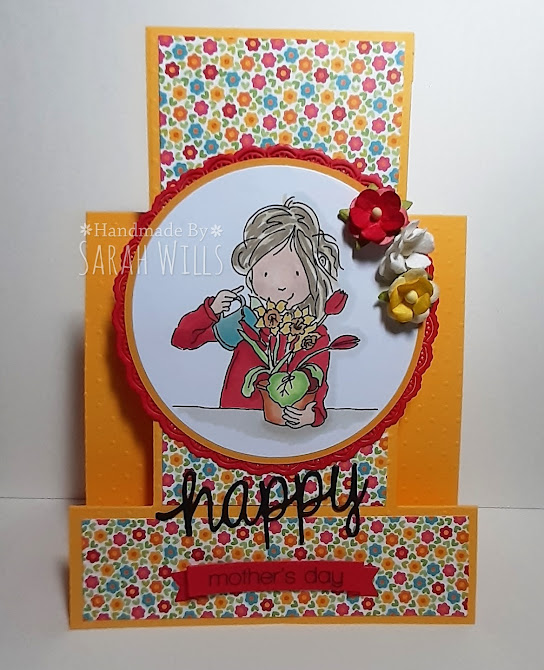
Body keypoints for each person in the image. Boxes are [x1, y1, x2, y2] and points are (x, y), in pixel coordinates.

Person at [171, 198, 341, 428]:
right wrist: (211, 310)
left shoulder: (313, 334)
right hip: (234, 424)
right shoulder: (247, 320)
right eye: (266, 274)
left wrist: (314, 415)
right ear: (251, 274)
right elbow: (183, 340)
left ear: (313, 277)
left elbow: (318, 379)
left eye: (296, 274)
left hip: (289, 430)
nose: (281, 285)